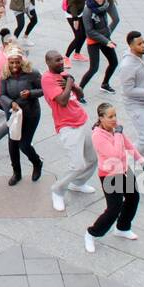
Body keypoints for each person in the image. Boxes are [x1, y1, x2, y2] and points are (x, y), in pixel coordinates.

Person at [83, 103, 143, 253]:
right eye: (110, 117)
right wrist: (117, 134)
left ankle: (122, 228)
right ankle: (91, 233)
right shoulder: (97, 136)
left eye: (115, 115)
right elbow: (115, 154)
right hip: (110, 176)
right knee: (113, 209)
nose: (114, 119)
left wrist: (140, 160)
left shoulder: (115, 129)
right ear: (101, 118)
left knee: (133, 198)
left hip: (124, 170)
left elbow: (127, 144)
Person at [42, 50, 96, 212]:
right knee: (77, 165)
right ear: (48, 63)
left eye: (61, 60)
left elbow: (80, 94)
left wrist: (73, 85)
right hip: (67, 126)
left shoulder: (64, 75)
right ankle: (58, 190)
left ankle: (78, 183)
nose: (61, 63)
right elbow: (63, 101)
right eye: (57, 60)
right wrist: (69, 83)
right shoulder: (47, 79)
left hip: (82, 119)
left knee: (92, 158)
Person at [0, 50, 44, 186]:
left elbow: (43, 90)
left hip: (31, 113)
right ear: (8, 63)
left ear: (22, 62)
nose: (15, 65)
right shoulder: (5, 75)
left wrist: (30, 93)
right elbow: (2, 95)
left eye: (18, 62)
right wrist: (12, 103)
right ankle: (16, 173)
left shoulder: (32, 73)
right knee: (12, 144)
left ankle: (37, 162)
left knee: (24, 144)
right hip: (15, 114)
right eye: (12, 62)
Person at [77, 0, 118, 94]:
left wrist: (108, 39)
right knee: (94, 68)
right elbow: (89, 31)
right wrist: (106, 41)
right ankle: (79, 90)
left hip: (105, 39)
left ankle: (105, 84)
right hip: (94, 41)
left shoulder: (103, 6)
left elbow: (105, 25)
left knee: (114, 62)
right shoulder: (88, 11)